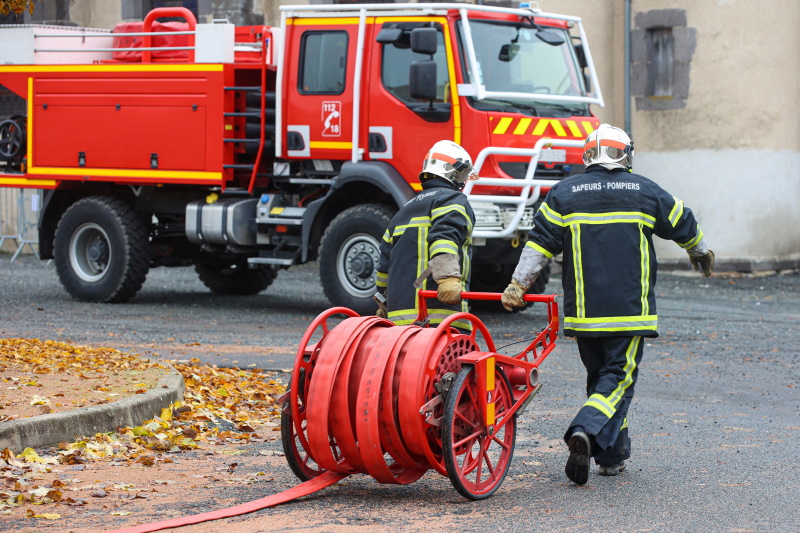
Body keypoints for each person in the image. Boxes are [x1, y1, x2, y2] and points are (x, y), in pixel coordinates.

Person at [501, 124, 714, 485]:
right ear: (625, 155)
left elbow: (539, 244)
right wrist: (699, 250)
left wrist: (517, 284)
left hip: (585, 315)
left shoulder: (564, 194)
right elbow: (683, 220)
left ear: (588, 156)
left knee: (602, 382)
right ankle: (583, 430)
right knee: (618, 381)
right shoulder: (644, 190)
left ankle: (611, 457)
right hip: (630, 312)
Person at [374, 140, 479, 331]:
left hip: (398, 322)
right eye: (463, 173)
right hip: (438, 317)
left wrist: (382, 301)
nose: (464, 180)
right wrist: (447, 279)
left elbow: (383, 268)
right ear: (451, 171)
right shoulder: (452, 200)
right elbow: (444, 238)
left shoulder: (403, 211)